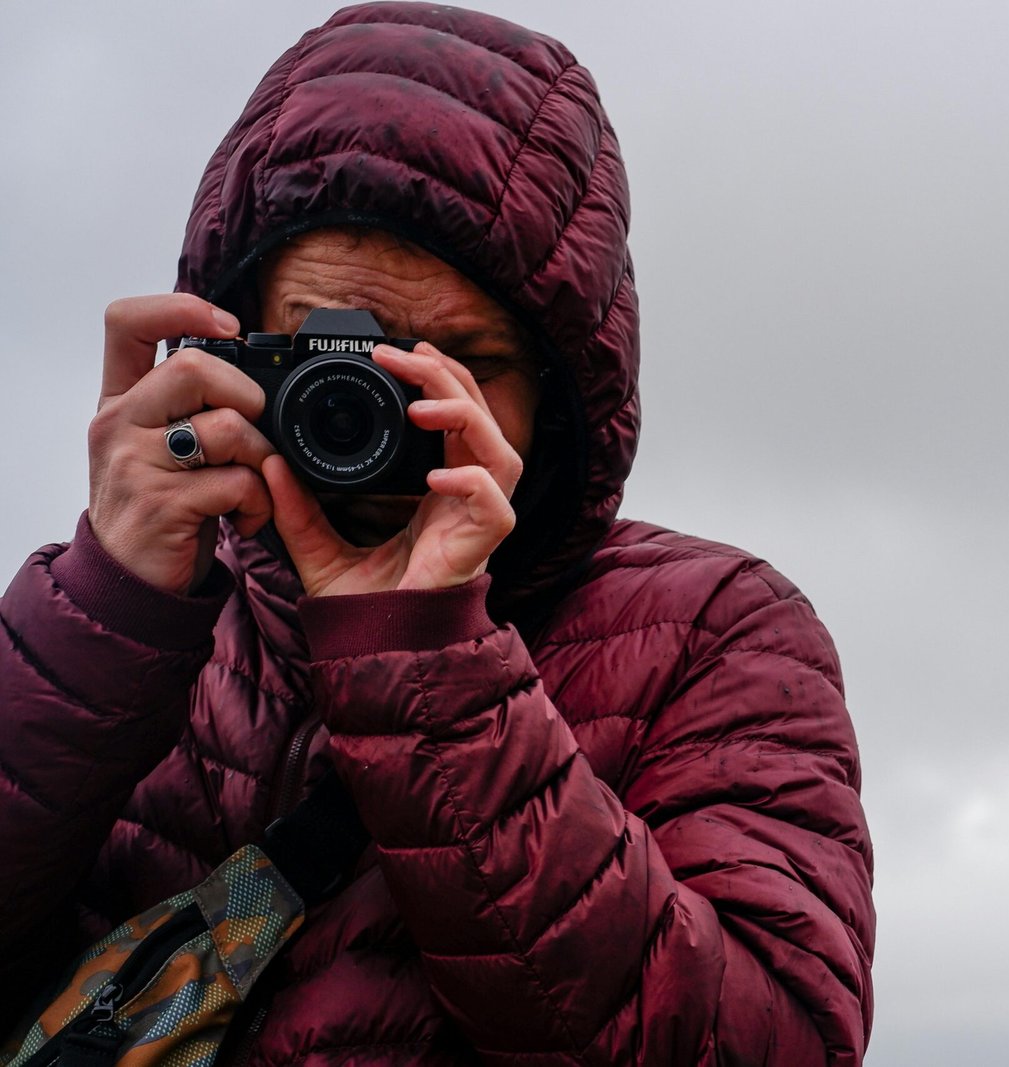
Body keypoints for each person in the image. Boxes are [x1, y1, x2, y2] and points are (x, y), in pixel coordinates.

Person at [0, 4, 874, 1065]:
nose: (377, 416)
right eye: (327, 356)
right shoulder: (137, 617)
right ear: (226, 339)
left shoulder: (712, 631)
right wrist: (105, 613)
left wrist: (431, 661)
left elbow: (771, 1043)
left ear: (560, 399)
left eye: (454, 364)